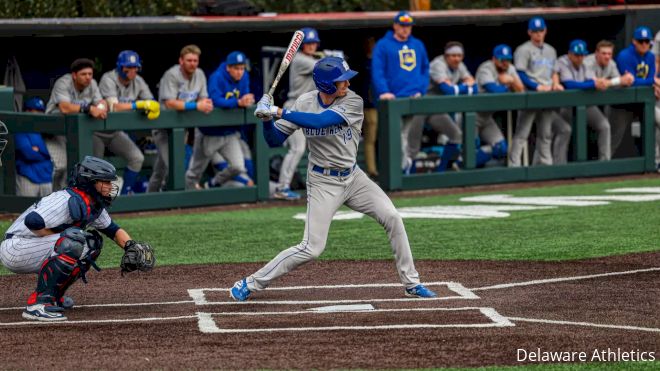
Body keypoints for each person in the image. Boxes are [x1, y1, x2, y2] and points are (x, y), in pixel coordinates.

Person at [229, 56, 437, 301]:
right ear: (327, 85)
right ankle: (250, 283)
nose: (347, 85)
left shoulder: (353, 101)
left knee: (392, 217)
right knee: (312, 248)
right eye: (341, 82)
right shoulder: (304, 102)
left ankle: (411, 283)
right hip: (322, 182)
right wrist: (266, 121)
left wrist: (277, 110)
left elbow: (321, 121)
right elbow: (274, 140)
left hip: (354, 178)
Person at [0, 156, 153, 321]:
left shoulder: (92, 203)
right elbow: (32, 221)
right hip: (16, 246)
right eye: (105, 182)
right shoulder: (64, 199)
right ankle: (38, 305)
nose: (110, 186)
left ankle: (53, 296)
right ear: (90, 182)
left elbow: (112, 230)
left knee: (91, 243)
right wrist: (59, 238)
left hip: (32, 245)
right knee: (73, 240)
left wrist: (131, 246)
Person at [147, 45, 214, 192]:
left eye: (195, 60)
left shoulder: (200, 74)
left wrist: (204, 104)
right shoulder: (171, 74)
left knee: (161, 169)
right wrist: (196, 106)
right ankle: (176, 201)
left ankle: (150, 197)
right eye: (189, 60)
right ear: (181, 61)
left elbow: (204, 99)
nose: (192, 63)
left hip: (181, 129)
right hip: (163, 129)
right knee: (175, 166)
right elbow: (170, 103)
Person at [372, 11, 430, 174]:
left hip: (413, 97)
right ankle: (401, 168)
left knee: (406, 135)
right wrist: (384, 91)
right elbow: (378, 71)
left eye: (408, 26)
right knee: (395, 136)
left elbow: (425, 68)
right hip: (392, 99)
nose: (405, 29)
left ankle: (404, 168)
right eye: (402, 26)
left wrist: (421, 89)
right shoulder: (383, 45)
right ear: (395, 26)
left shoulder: (417, 44)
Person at [186, 51, 254, 189]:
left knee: (238, 167)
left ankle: (212, 183)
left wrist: (247, 99)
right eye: (236, 68)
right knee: (195, 172)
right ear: (228, 67)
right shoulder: (217, 77)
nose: (239, 72)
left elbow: (245, 95)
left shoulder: (244, 77)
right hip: (208, 133)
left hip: (228, 133)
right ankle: (183, 200)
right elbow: (214, 101)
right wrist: (238, 102)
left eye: (241, 68)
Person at [511, 16, 570, 166]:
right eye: (535, 31)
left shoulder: (551, 50)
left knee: (545, 133)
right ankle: (514, 165)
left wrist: (555, 83)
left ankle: (545, 164)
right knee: (522, 134)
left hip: (547, 95)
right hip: (530, 94)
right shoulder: (523, 50)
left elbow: (554, 72)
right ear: (529, 32)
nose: (538, 34)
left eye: (541, 31)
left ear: (545, 31)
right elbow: (520, 73)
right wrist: (536, 86)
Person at [99, 50, 159, 194]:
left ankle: (126, 193)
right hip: (96, 132)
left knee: (137, 158)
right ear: (120, 67)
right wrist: (137, 105)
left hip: (115, 132)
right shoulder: (108, 79)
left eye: (135, 67)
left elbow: (150, 101)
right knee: (96, 168)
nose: (132, 71)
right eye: (128, 67)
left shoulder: (138, 80)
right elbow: (114, 107)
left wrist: (149, 104)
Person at [273, 27, 323, 200]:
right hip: (294, 108)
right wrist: (334, 57)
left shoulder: (310, 58)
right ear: (302, 45)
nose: (311, 46)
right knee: (297, 148)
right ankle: (282, 187)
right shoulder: (301, 59)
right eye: (308, 43)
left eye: (313, 43)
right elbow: (325, 68)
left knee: (317, 148)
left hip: (307, 110)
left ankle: (321, 185)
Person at [46, 58, 108, 190]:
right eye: (83, 74)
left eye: (90, 74)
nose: (88, 78)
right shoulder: (63, 82)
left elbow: (101, 102)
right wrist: (90, 109)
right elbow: (65, 108)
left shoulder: (92, 84)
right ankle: (52, 199)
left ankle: (68, 199)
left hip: (76, 131)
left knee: (79, 166)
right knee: (60, 166)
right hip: (54, 131)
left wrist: (102, 106)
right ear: (74, 75)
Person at [555, 40, 614, 161]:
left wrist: (592, 83)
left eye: (582, 55)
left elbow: (590, 81)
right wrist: (592, 84)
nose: (579, 58)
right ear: (570, 54)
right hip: (567, 106)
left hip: (586, 105)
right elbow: (570, 84)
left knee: (604, 126)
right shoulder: (563, 61)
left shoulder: (585, 63)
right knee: (564, 131)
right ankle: (559, 166)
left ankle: (605, 163)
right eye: (576, 55)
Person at [422, 41, 476, 172]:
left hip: (440, 109)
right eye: (453, 55)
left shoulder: (460, 65)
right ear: (446, 56)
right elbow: (447, 90)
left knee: (456, 135)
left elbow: (474, 87)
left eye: (459, 55)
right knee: (412, 146)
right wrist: (464, 87)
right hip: (424, 107)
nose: (456, 58)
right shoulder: (438, 64)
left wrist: (458, 88)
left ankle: (442, 171)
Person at [610, 26, 656, 158]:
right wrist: (652, 82)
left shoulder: (651, 56)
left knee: (657, 122)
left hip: (644, 102)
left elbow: (650, 78)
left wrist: (652, 82)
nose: (644, 44)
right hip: (622, 102)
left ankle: (655, 160)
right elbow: (630, 81)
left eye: (647, 41)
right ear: (634, 41)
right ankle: (603, 165)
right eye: (641, 41)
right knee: (615, 135)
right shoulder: (625, 55)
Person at [474, 44, 523, 166]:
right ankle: (460, 164)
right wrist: (508, 86)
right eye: (502, 59)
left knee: (501, 148)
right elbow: (493, 90)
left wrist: (511, 81)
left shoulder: (510, 68)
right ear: (494, 59)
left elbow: (520, 89)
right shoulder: (486, 68)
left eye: (507, 59)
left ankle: (464, 160)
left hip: (487, 118)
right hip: (472, 116)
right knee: (471, 150)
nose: (505, 63)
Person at [15, 97, 53, 196]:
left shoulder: (46, 129)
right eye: (35, 110)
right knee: (24, 210)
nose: (39, 114)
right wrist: (45, 154)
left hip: (47, 177)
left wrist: (39, 150)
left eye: (41, 111)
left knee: (48, 211)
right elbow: (28, 153)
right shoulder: (19, 128)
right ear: (27, 111)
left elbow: (52, 153)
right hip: (27, 176)